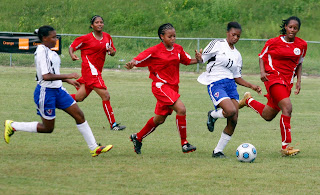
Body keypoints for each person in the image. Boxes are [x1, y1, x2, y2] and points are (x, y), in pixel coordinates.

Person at [4, 25, 113, 157]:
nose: (56, 39)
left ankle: (94, 148)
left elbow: (54, 73)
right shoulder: (41, 51)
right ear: (44, 38)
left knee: (79, 115)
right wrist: (68, 76)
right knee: (48, 128)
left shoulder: (51, 52)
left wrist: (68, 81)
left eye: (56, 36)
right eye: (53, 37)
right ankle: (13, 125)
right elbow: (46, 76)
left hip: (58, 90)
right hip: (46, 92)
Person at [125, 23, 202, 154]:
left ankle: (137, 137)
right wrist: (133, 62)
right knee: (181, 109)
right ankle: (184, 143)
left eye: (174, 36)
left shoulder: (178, 49)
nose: (173, 39)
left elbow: (188, 60)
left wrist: (199, 60)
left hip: (173, 88)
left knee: (160, 119)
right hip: (160, 86)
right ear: (162, 37)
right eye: (169, 36)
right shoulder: (155, 50)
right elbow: (139, 58)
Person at [238, 16, 307, 156]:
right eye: (290, 27)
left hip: (287, 83)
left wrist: (298, 81)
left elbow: (299, 63)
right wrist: (262, 72)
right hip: (273, 78)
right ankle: (285, 147)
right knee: (287, 107)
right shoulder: (273, 42)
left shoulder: (302, 45)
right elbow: (262, 56)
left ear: (298, 29)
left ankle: (248, 100)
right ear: (285, 27)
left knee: (268, 115)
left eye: (295, 28)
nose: (292, 30)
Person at [197, 22, 262, 158]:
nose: (235, 38)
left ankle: (217, 151)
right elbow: (202, 59)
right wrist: (199, 58)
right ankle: (213, 115)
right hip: (216, 83)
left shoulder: (237, 55)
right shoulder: (217, 44)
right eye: (233, 35)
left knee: (234, 119)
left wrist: (252, 86)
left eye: (238, 36)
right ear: (227, 33)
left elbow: (237, 77)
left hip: (231, 85)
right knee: (230, 110)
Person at [69, 15, 125, 131]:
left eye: (101, 22)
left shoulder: (107, 37)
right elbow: (72, 46)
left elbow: (112, 53)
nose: (99, 24)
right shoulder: (86, 38)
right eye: (97, 22)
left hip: (96, 71)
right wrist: (72, 54)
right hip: (90, 71)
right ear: (92, 25)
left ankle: (52, 101)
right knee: (106, 95)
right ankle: (113, 125)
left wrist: (112, 52)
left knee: (79, 97)